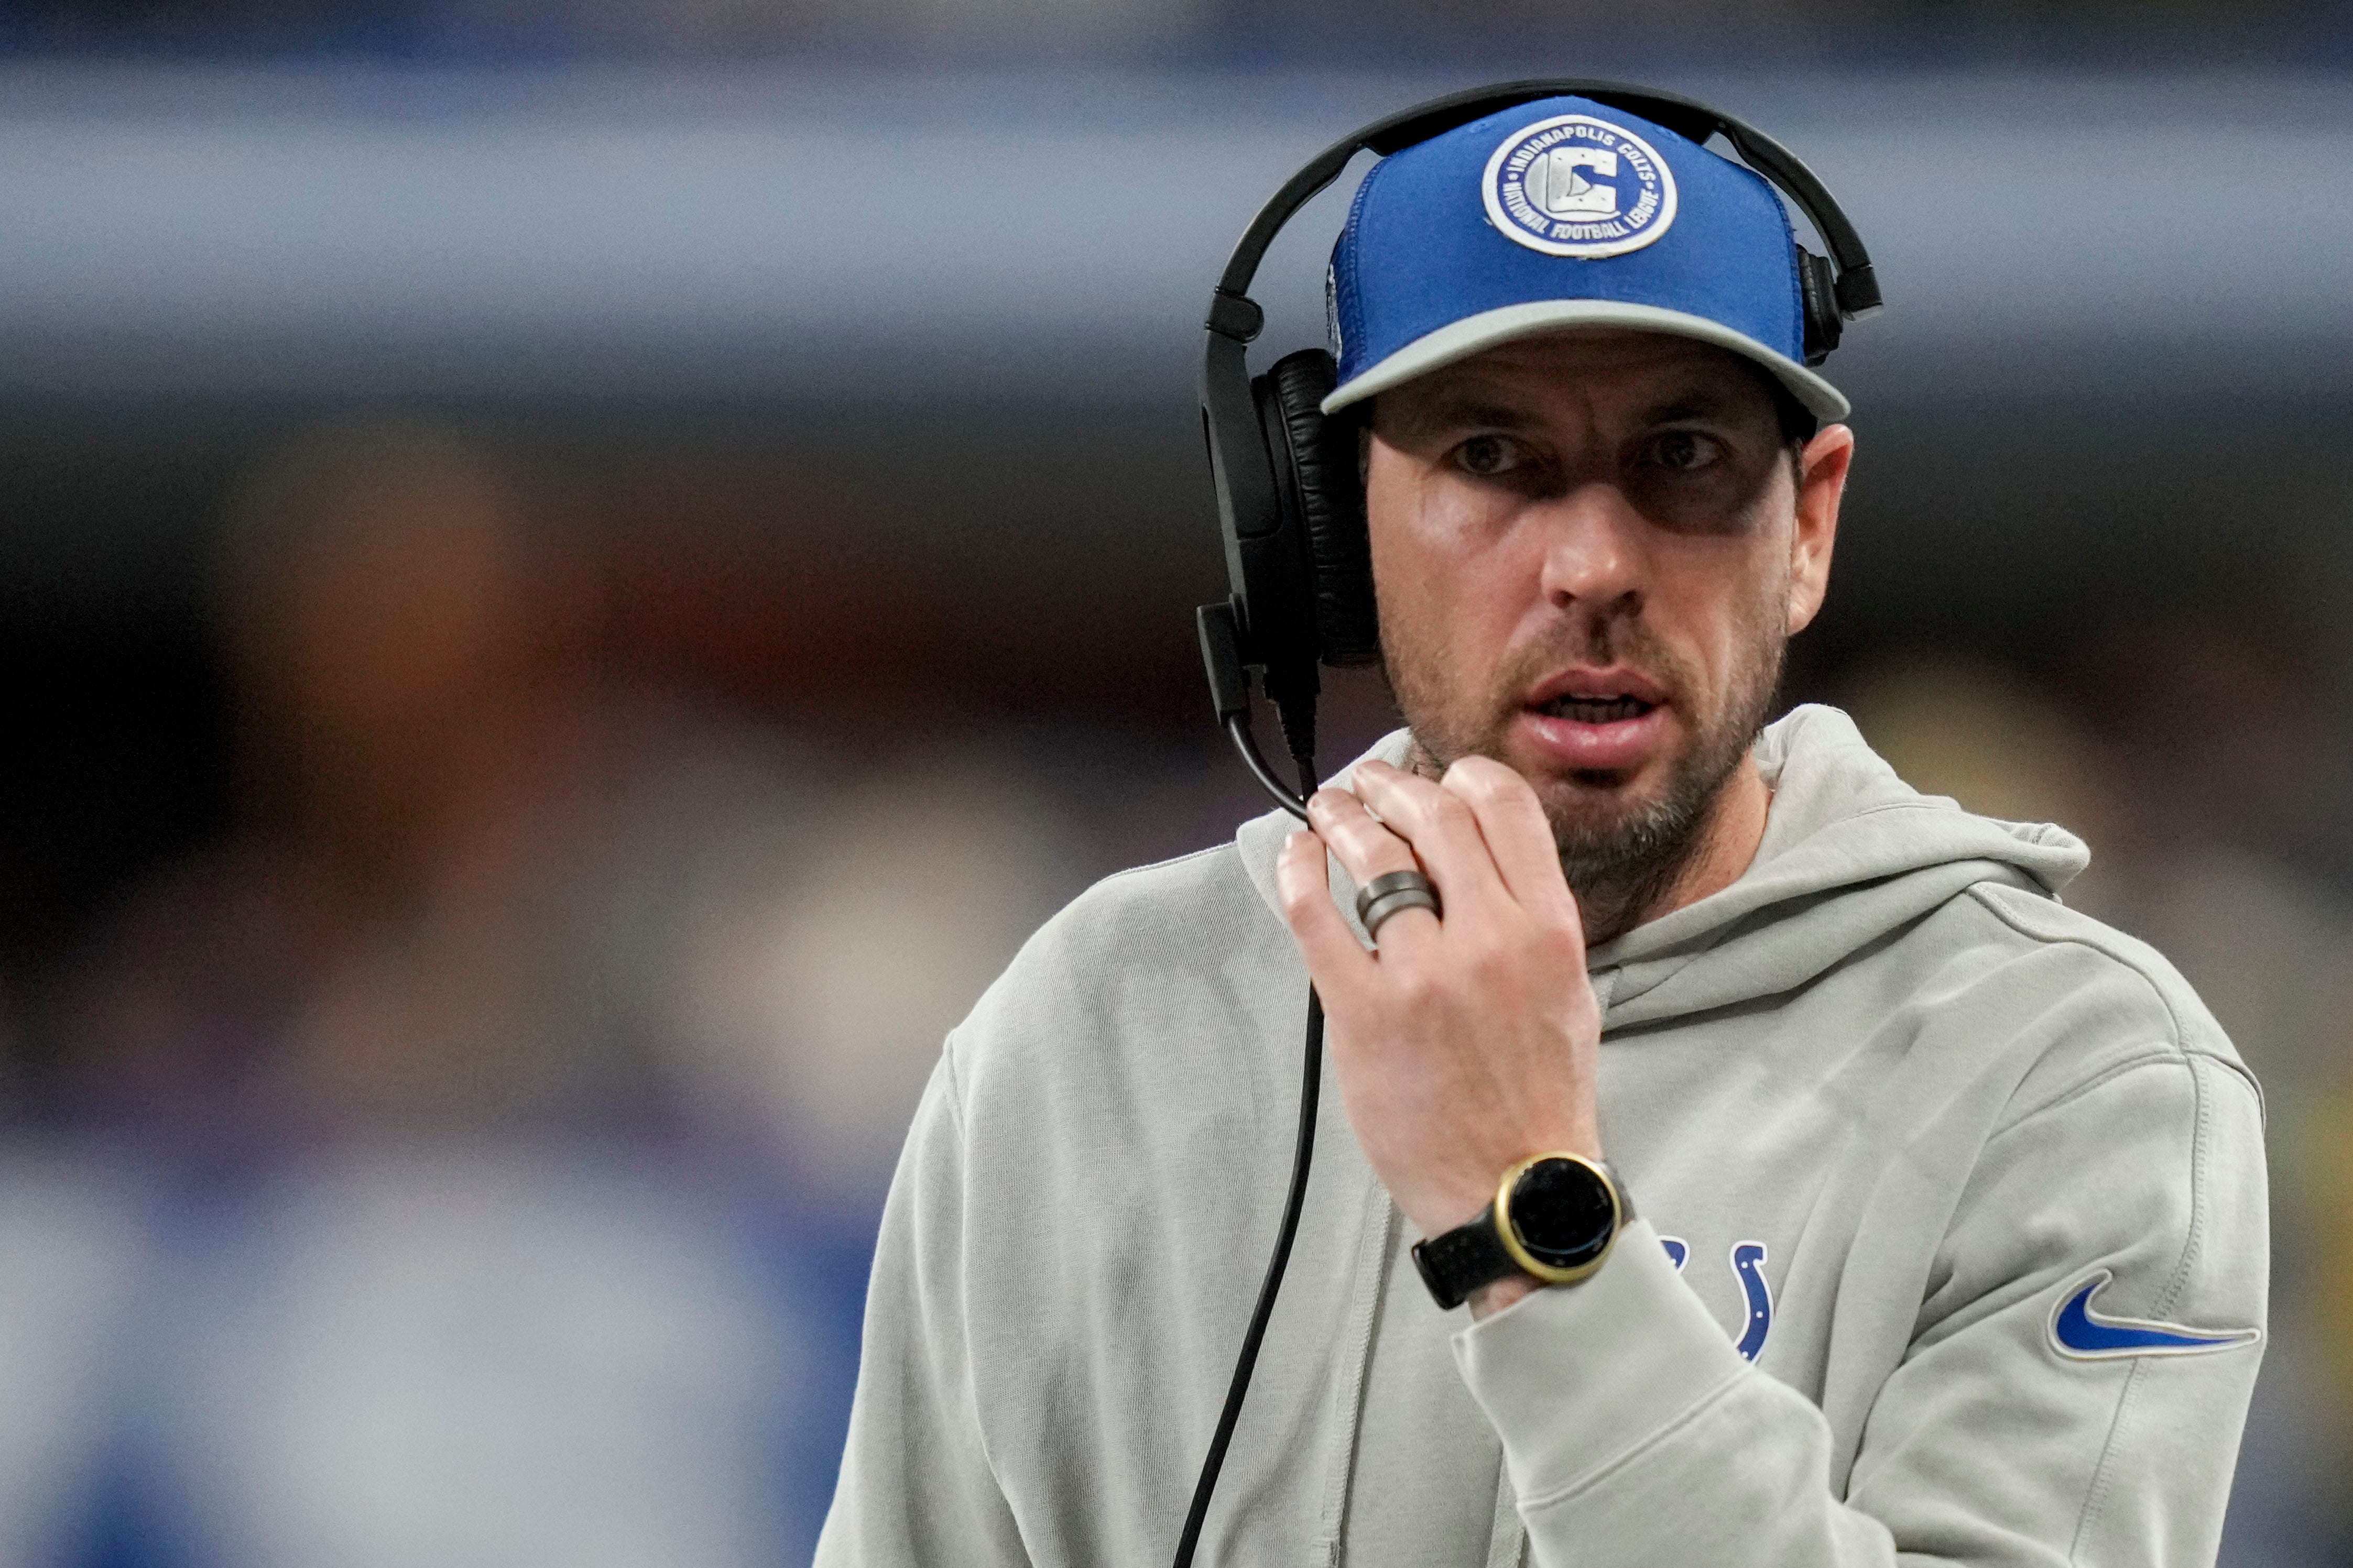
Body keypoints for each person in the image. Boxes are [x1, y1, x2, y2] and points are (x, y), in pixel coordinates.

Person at [817, 91, 2267, 1567]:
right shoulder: (1096, 1028)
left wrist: (1527, 1218)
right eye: (1491, 459)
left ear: (1809, 524)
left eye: (1683, 456)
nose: (1590, 564)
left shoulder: (2075, 1076)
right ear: (1330, 523)